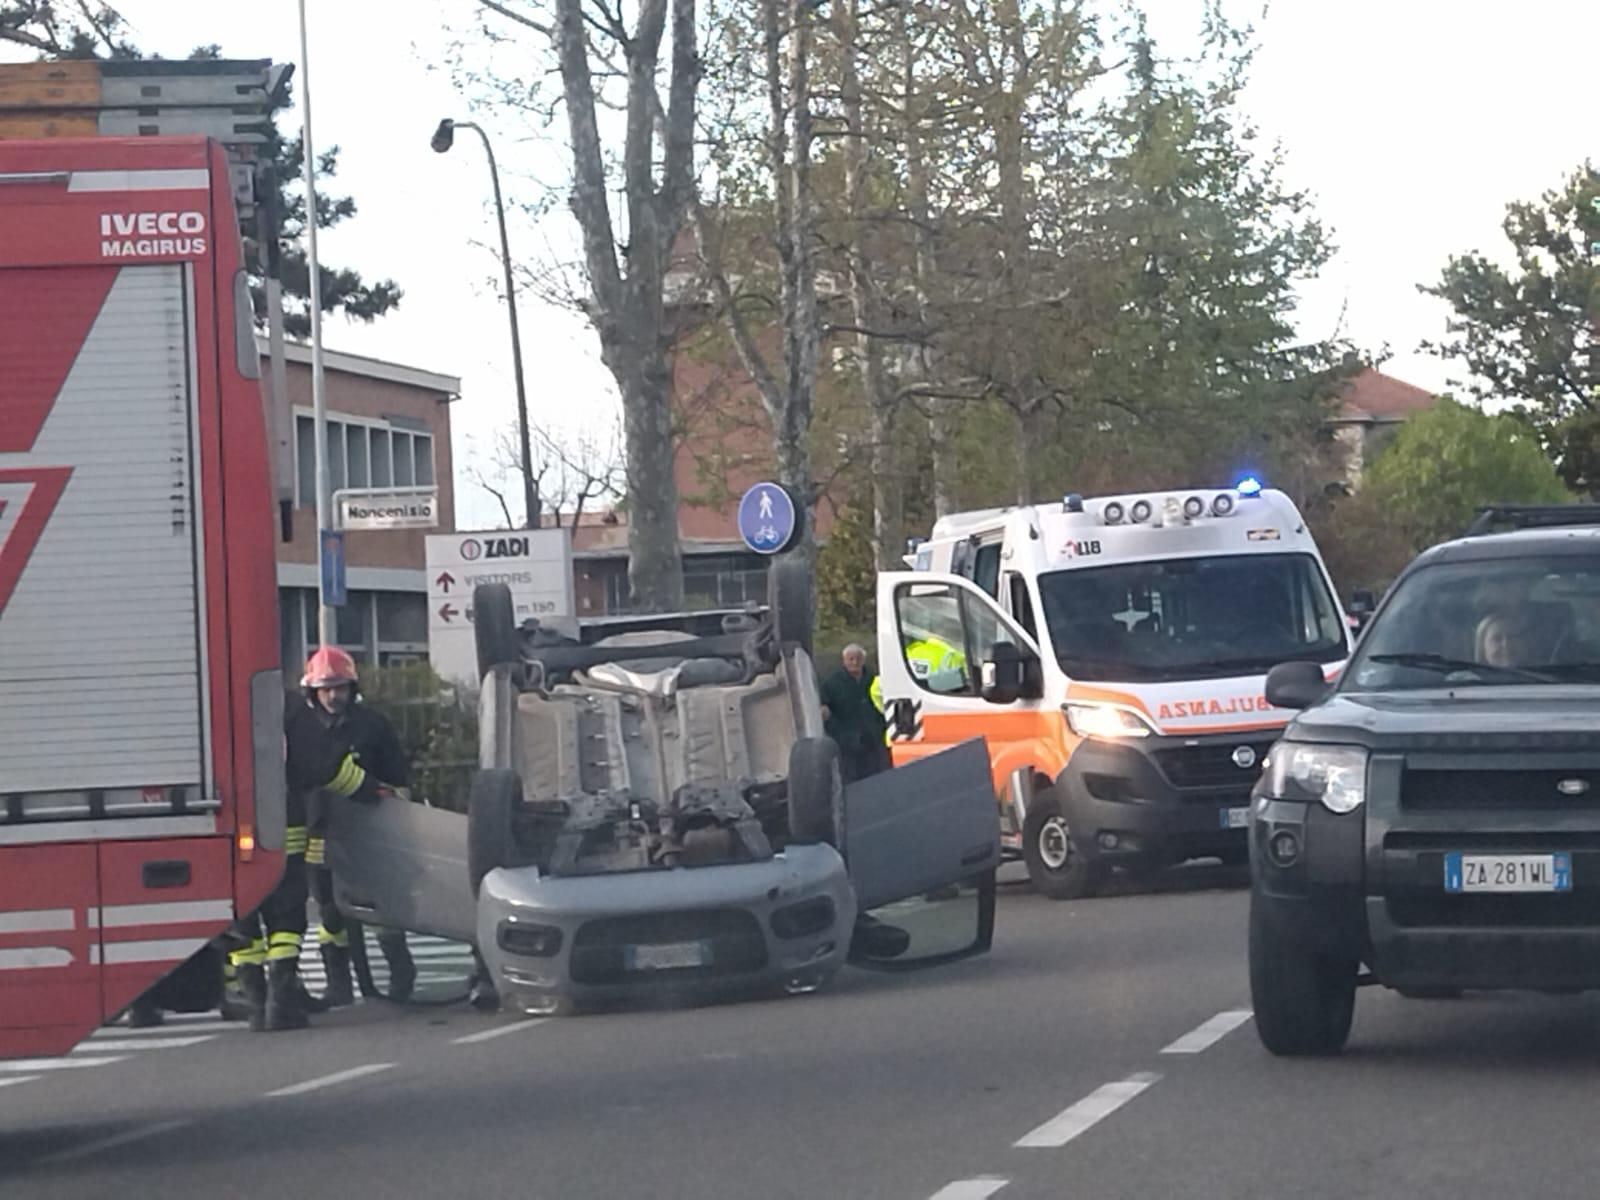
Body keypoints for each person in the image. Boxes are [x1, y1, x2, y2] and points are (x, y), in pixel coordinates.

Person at [290, 647, 418, 1008]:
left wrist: (398, 815)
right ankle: (339, 984)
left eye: (340, 688)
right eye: (326, 689)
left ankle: (401, 974)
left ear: (352, 688)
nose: (333, 696)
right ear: (312, 691)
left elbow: (397, 778)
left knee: (377, 904)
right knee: (329, 909)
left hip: (369, 830)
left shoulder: (372, 726)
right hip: (318, 832)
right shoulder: (305, 730)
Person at [819, 644, 889, 782]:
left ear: (863, 660)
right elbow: (824, 706)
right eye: (851, 659)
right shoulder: (832, 683)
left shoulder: (874, 678)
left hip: (873, 739)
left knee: (876, 777)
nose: (854, 662)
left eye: (858, 659)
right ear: (844, 660)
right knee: (851, 779)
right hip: (846, 741)